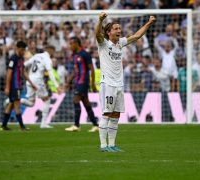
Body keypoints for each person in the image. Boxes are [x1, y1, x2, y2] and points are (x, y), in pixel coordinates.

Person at [95, 12, 156, 152]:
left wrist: (148, 23)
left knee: (116, 115)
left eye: (119, 28)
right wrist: (100, 20)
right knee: (106, 114)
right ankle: (103, 146)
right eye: (116, 29)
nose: (119, 31)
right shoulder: (103, 44)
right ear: (109, 32)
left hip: (119, 84)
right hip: (107, 84)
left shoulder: (120, 43)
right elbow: (97, 34)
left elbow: (136, 36)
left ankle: (112, 144)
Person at [20, 45, 62, 128]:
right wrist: (57, 86)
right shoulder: (47, 59)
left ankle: (14, 100)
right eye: (54, 52)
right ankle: (43, 123)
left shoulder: (36, 56)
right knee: (47, 99)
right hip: (38, 81)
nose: (54, 54)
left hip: (29, 80)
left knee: (31, 103)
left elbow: (24, 64)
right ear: (51, 51)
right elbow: (50, 74)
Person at [65, 37, 99, 132]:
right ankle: (96, 125)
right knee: (86, 103)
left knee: (75, 99)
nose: (70, 46)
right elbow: (76, 71)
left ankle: (76, 125)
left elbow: (92, 69)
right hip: (77, 81)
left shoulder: (85, 54)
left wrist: (93, 84)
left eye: (71, 44)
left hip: (83, 81)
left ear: (76, 43)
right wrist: (68, 81)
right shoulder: (74, 56)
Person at [0, 41, 33, 131]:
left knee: (11, 105)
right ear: (17, 48)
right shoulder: (13, 59)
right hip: (14, 86)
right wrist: (7, 87)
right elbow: (9, 73)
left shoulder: (21, 59)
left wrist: (31, 82)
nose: (23, 52)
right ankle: (22, 127)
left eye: (24, 50)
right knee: (17, 105)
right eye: (21, 50)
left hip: (18, 85)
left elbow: (23, 72)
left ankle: (3, 125)